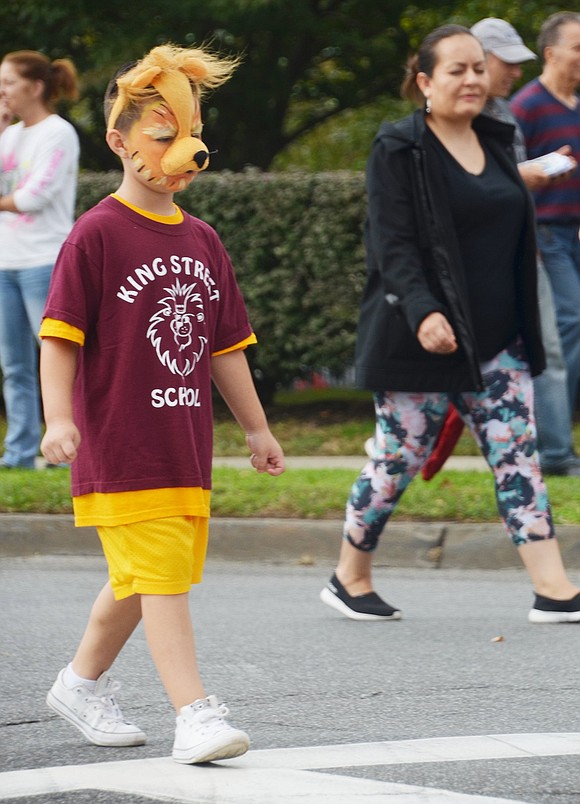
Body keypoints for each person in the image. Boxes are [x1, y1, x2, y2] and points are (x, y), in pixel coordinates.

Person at [39, 43, 285, 765]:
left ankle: (80, 684)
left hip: (183, 445)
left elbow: (224, 346)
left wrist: (258, 427)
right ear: (119, 141)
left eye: (192, 129)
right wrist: (60, 417)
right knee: (162, 577)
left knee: (140, 578)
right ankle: (195, 712)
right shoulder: (96, 234)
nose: (186, 147)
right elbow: (60, 337)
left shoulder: (205, 241)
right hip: (120, 443)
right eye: (163, 132)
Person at [320, 24, 580, 626]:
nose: (470, 80)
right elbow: (393, 243)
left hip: (499, 343)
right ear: (425, 83)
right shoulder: (400, 147)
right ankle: (349, 575)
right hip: (423, 338)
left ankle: (554, 587)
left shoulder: (497, 140)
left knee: (518, 457)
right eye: (455, 70)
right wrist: (424, 310)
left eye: (477, 69)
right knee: (398, 457)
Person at [0, 51, 80, 469]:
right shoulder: (8, 135)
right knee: (14, 366)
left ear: (35, 87)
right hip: (5, 263)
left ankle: (70, 450)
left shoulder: (58, 133)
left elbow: (35, 196)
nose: (2, 91)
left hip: (45, 262)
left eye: (9, 82)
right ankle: (19, 454)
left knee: (62, 361)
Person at [511, 12, 580, 446]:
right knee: (572, 322)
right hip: (546, 237)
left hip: (574, 235)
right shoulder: (526, 106)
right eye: (577, 47)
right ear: (551, 54)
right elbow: (507, 177)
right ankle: (554, 431)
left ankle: (555, 426)